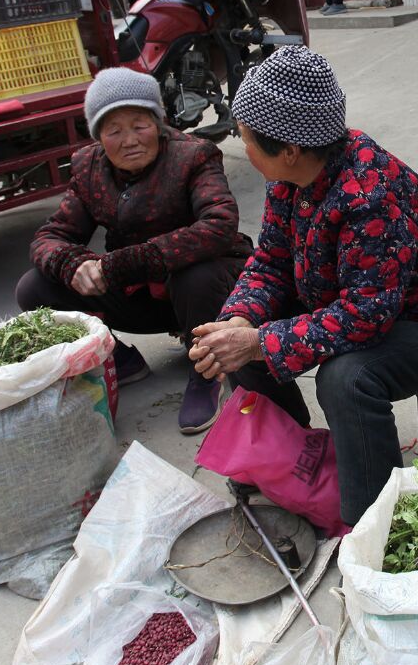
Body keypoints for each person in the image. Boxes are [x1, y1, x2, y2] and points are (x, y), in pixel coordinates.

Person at [188, 46, 418, 527]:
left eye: (246, 137)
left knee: (344, 378)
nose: (242, 145)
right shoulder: (292, 177)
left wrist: (261, 341)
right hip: (351, 299)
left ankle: (373, 524)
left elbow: (365, 316)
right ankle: (291, 454)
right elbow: (271, 261)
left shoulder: (371, 194)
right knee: (232, 336)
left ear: (291, 149)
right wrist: (240, 320)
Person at [18, 67, 262, 434]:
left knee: (195, 274)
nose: (129, 139)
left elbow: (218, 225)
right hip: (143, 295)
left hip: (209, 294)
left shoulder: (194, 156)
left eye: (140, 125)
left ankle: (207, 372)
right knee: (35, 287)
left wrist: (120, 265)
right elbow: (51, 235)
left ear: (159, 122)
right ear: (99, 136)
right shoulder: (88, 167)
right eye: (113, 130)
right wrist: (73, 264)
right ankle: (120, 359)